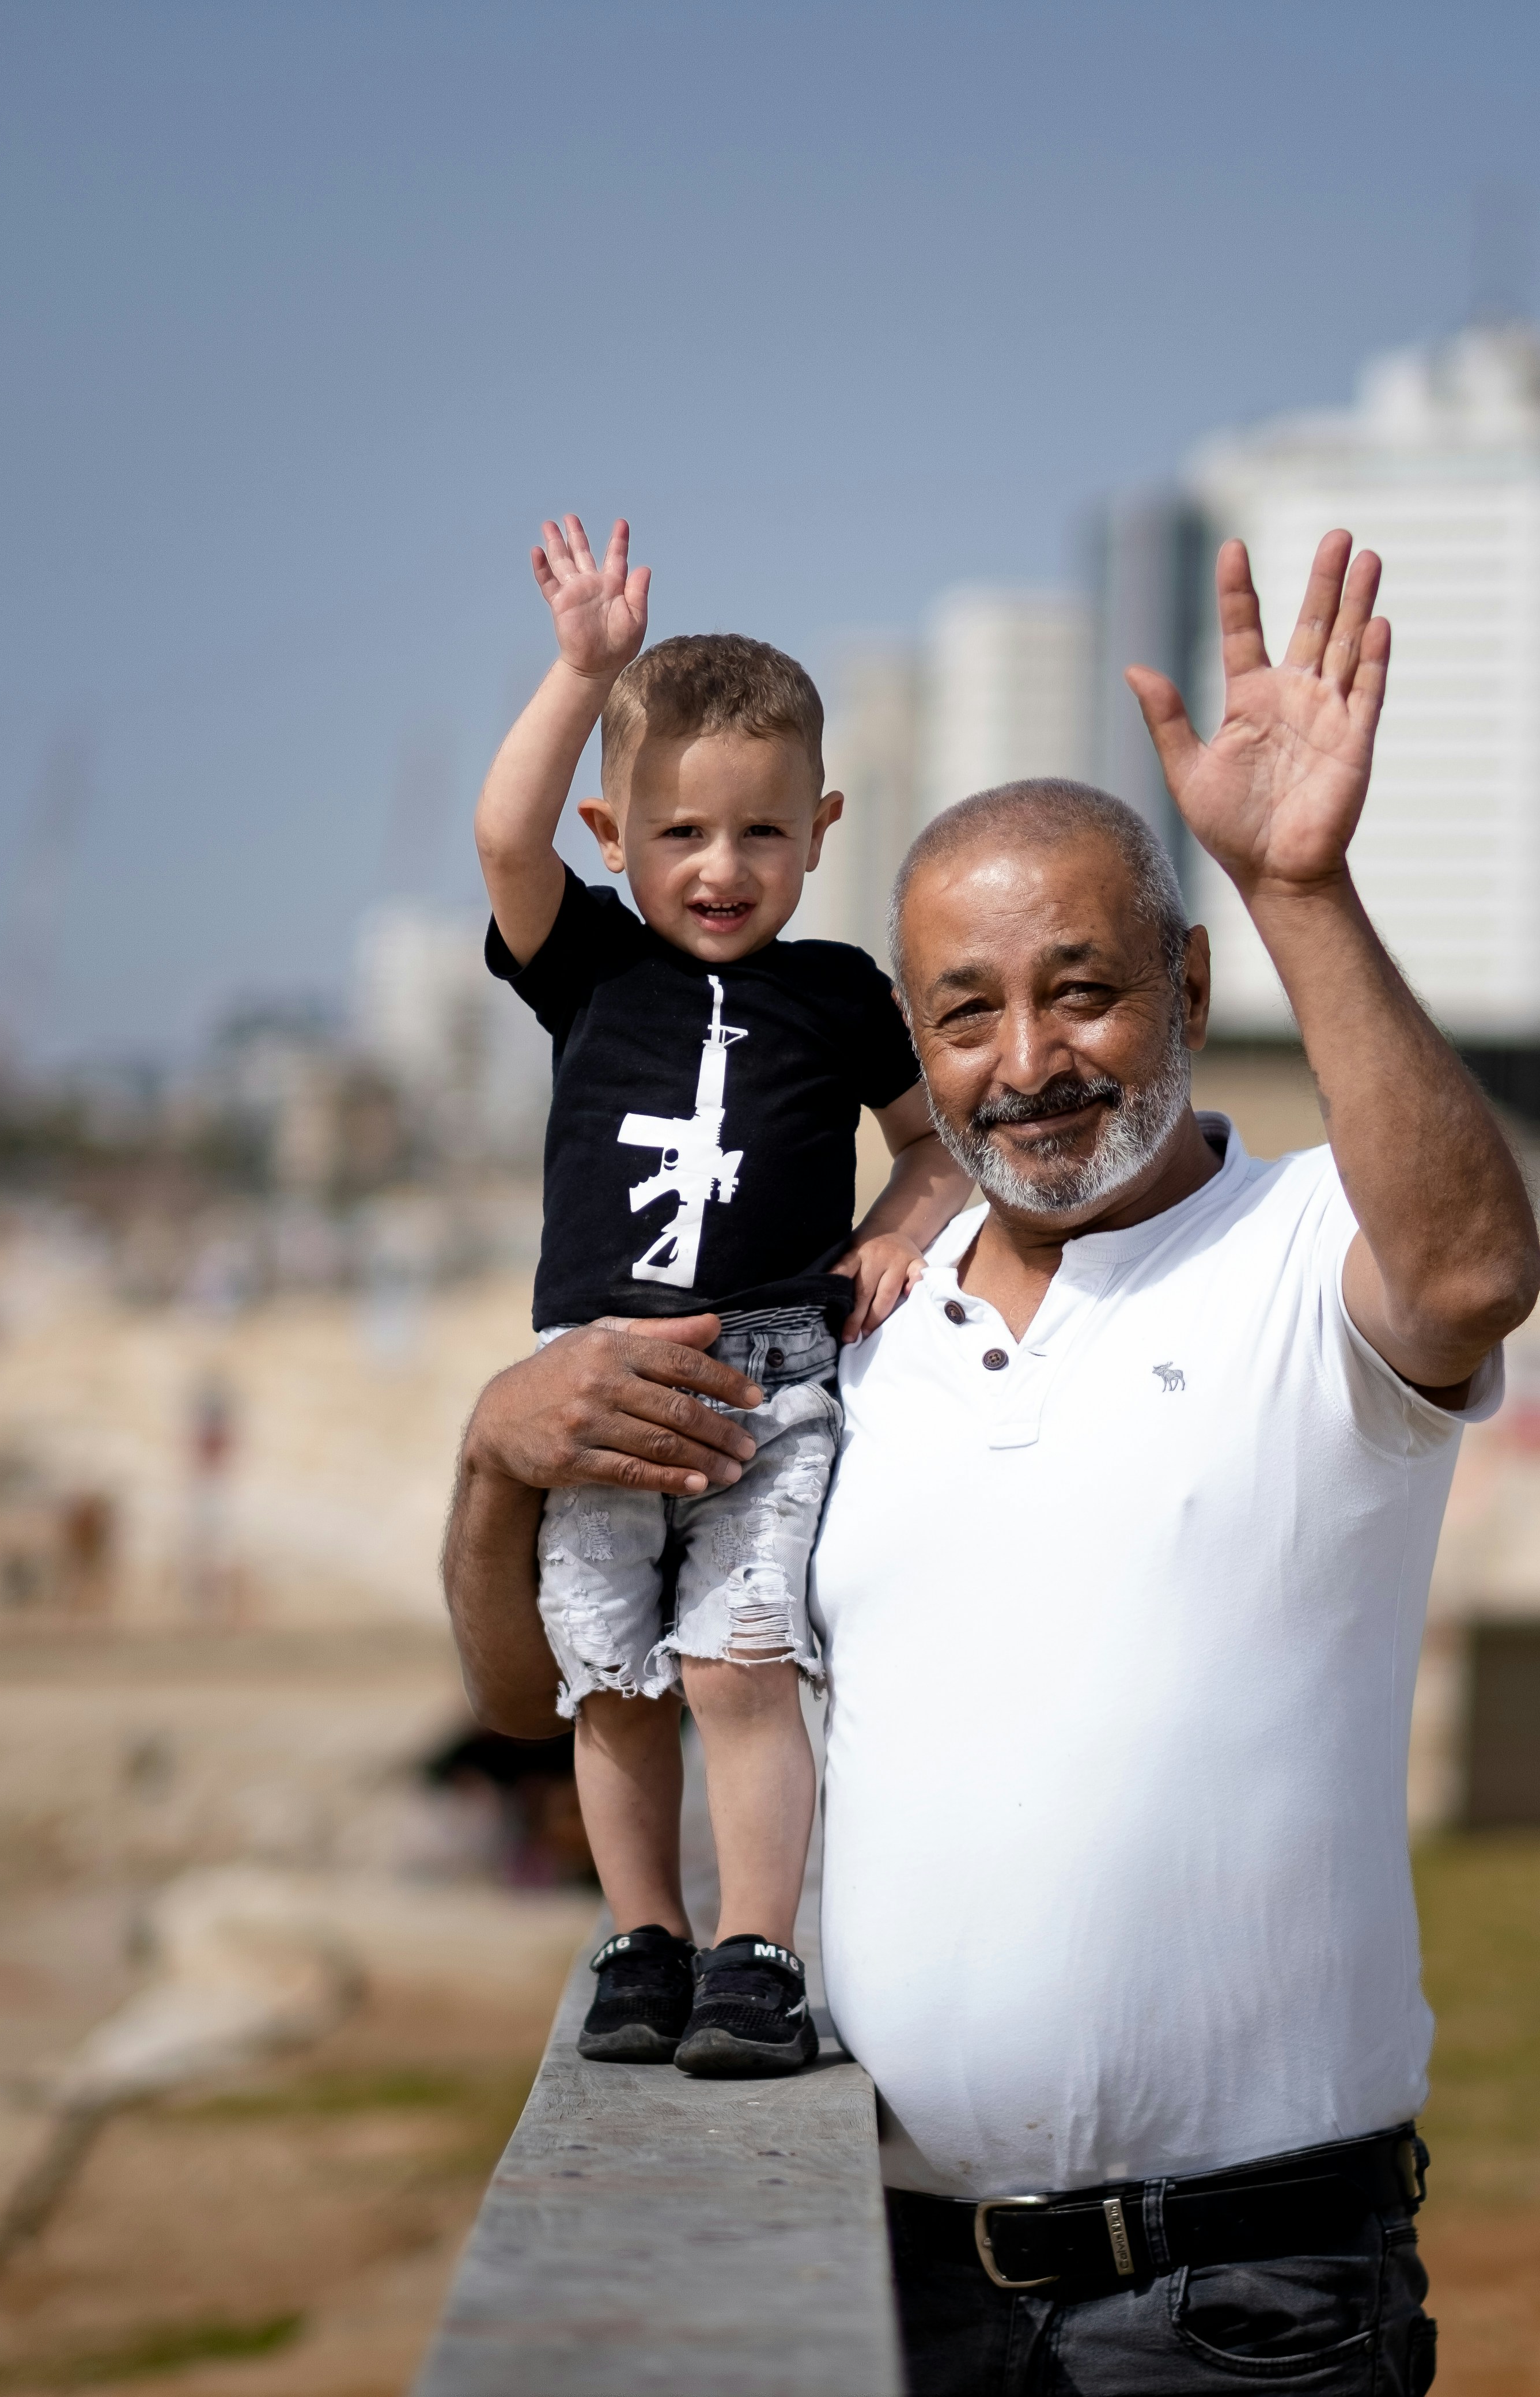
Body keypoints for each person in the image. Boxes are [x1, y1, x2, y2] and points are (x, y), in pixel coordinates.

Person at [444, 532, 1540, 2393]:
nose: (1027, 1061)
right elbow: (518, 1694)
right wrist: (494, 1457)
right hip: (890, 2282)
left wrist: (1305, 884)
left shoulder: (1301, 1261)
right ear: (917, 1047)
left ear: (1189, 984)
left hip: (1249, 2307)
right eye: (967, 1013)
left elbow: (1473, 1273)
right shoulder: (840, 1331)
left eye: (1084, 991)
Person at [473, 515, 970, 2078]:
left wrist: (897, 1223)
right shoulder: (592, 966)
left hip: (769, 1371)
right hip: (601, 1378)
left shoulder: (835, 995)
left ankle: (756, 1950)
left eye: (761, 834)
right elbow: (501, 838)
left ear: (820, 829)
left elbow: (936, 1146)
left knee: (743, 1663)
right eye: (681, 834)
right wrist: (582, 674)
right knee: (611, 1676)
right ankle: (642, 1941)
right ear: (616, 833)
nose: (722, 868)